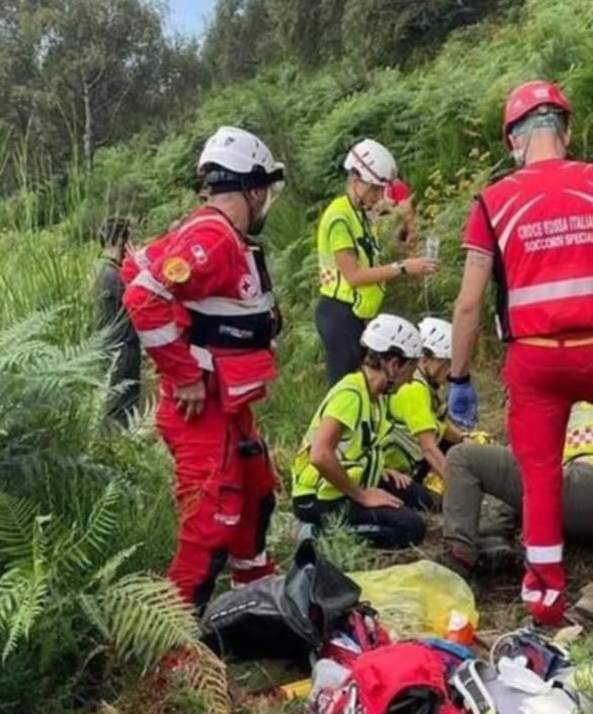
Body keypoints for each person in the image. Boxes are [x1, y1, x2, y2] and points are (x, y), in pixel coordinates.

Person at [448, 79, 593, 626]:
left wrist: (457, 377)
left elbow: (469, 304)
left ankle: (544, 599)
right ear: (565, 131)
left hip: (534, 360)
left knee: (540, 471)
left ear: (513, 142)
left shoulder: (492, 203)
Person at [123, 125, 286, 611]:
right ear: (254, 188)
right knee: (210, 524)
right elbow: (142, 297)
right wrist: (184, 374)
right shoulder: (214, 238)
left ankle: (252, 592)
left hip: (228, 400)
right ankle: (174, 643)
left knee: (257, 491)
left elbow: (141, 269)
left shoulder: (212, 235)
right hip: (202, 406)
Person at [439, 402, 593, 580]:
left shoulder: (559, 404)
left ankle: (459, 559)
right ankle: (494, 537)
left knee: (461, 456)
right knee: (530, 477)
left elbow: (516, 463)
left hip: (585, 488)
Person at [291, 314, 434, 549]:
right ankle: (318, 532)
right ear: (394, 365)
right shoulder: (350, 395)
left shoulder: (375, 397)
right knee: (410, 528)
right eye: (410, 370)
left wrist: (381, 469)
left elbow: (357, 446)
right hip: (318, 497)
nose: (410, 381)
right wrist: (362, 495)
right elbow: (320, 454)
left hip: (342, 485)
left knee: (419, 498)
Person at [316, 139, 437, 384]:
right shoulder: (339, 217)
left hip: (360, 313)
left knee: (367, 388)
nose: (378, 196)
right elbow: (355, 275)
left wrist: (406, 224)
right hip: (340, 314)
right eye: (374, 189)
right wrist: (402, 268)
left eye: (382, 190)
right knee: (345, 393)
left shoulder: (359, 214)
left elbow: (373, 256)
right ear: (355, 179)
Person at [384, 317, 466, 489]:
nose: (451, 371)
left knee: (464, 449)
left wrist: (464, 439)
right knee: (431, 501)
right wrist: (460, 488)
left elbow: (437, 424)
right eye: (447, 363)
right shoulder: (414, 389)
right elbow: (428, 447)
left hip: (407, 463)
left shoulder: (424, 384)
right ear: (426, 359)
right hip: (392, 472)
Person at [94, 216, 142, 427]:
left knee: (111, 404)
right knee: (123, 410)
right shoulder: (114, 275)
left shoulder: (98, 270)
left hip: (105, 347)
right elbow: (138, 307)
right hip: (122, 349)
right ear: (123, 242)